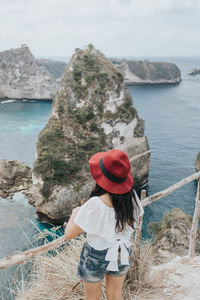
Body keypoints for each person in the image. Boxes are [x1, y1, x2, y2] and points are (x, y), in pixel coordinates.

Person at [64, 149, 144, 300]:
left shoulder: (95, 204)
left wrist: (76, 213)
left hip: (96, 255)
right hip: (123, 252)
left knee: (92, 298)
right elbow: (135, 219)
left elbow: (69, 234)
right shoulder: (132, 197)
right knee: (115, 295)